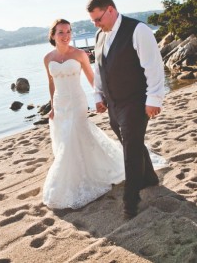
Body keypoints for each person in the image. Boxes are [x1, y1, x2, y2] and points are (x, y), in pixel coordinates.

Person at [41, 19, 164, 210]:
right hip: (60, 103)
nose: (66, 36)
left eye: (68, 32)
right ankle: (75, 175)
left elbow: (94, 78)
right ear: (53, 35)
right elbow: (51, 82)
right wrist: (52, 106)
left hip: (77, 102)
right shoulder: (48, 58)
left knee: (75, 135)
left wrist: (101, 98)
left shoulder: (80, 54)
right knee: (66, 139)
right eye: (61, 32)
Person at [86, 0, 166, 218]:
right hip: (113, 103)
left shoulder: (138, 30)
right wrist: (98, 96)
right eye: (93, 20)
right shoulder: (99, 35)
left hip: (135, 100)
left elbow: (153, 66)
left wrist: (154, 99)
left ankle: (131, 201)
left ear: (110, 10)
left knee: (130, 149)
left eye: (98, 19)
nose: (95, 24)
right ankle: (149, 178)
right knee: (131, 142)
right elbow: (100, 68)